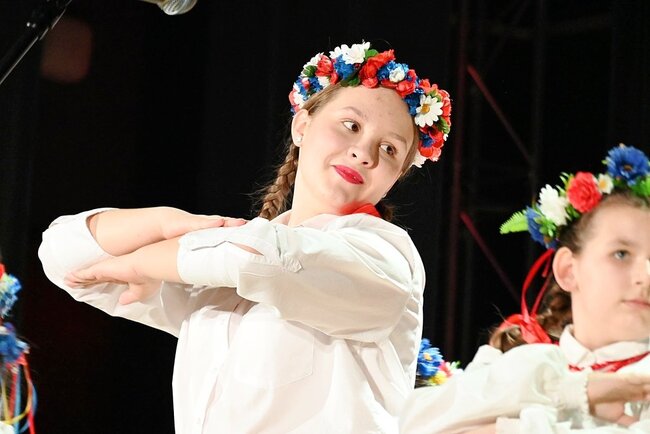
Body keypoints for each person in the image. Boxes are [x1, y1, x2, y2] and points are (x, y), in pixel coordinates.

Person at [37, 41, 452, 434]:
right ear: (302, 125)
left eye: (390, 149)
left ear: (396, 177)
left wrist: (143, 261)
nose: (364, 153)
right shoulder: (216, 264)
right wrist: (161, 224)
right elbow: (66, 259)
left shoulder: (385, 258)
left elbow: (263, 261)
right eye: (350, 125)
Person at [399, 144, 650, 433]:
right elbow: (413, 423)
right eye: (621, 254)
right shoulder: (523, 363)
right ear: (568, 270)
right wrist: (577, 389)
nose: (645, 276)